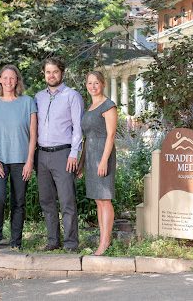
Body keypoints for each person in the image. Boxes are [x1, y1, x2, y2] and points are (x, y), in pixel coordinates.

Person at [0, 65, 37, 250]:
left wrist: (30, 160)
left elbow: (33, 134)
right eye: (5, 78)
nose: (8, 81)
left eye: (12, 78)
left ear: (17, 80)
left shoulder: (27, 102)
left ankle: (16, 240)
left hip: (21, 160)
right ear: (0, 79)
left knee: (19, 201)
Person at [35, 57, 84, 252]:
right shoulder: (38, 97)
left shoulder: (72, 96)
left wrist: (74, 153)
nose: (51, 75)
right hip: (42, 156)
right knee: (46, 200)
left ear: (61, 73)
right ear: (44, 74)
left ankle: (71, 243)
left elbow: (78, 128)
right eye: (48, 72)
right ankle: (53, 240)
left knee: (67, 200)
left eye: (55, 71)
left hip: (63, 154)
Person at [77, 71, 117, 256]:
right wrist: (82, 163)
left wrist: (103, 161)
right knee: (98, 200)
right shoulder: (91, 106)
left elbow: (110, 135)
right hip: (91, 155)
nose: (93, 86)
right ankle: (104, 238)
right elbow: (87, 138)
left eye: (96, 83)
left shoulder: (108, 106)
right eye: (90, 83)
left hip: (103, 154)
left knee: (105, 199)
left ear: (103, 84)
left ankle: (105, 242)